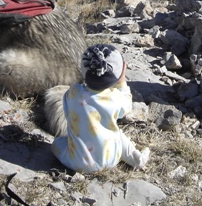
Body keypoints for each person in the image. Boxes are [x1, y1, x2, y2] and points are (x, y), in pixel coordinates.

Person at [52, 44, 150, 173]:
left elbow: (66, 107)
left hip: (78, 164)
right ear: (119, 73)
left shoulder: (74, 93)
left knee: (57, 143)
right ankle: (137, 159)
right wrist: (121, 82)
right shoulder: (116, 98)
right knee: (119, 136)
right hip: (111, 158)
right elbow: (127, 105)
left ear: (83, 69)